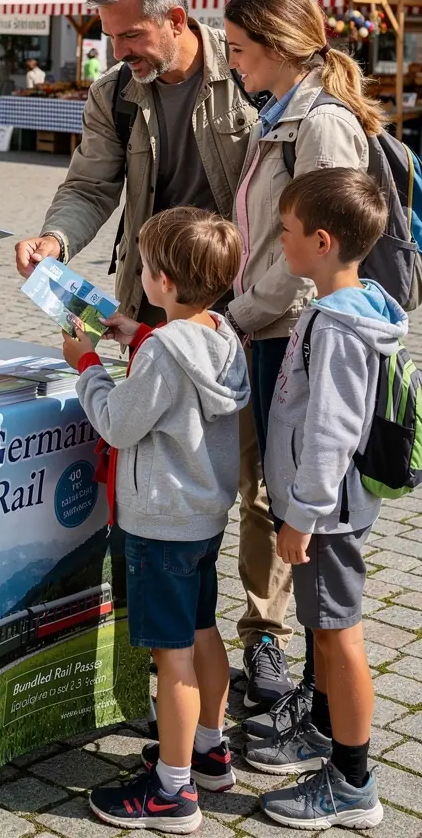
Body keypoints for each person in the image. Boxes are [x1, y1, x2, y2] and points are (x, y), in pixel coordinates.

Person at [14, 0, 294, 706]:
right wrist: (55, 241)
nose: (119, 52)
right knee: (154, 461)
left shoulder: (248, 79)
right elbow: (90, 184)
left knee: (260, 482)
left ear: (177, 20)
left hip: (253, 310)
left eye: (131, 35)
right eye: (111, 38)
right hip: (157, 310)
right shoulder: (117, 94)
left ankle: (263, 633)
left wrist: (260, 301)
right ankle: (162, 628)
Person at [223, 0, 382, 725]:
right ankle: (286, 660)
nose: (234, 65)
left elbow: (314, 250)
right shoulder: (281, 114)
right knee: (265, 489)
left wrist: (246, 310)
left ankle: (298, 678)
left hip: (289, 333)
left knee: (283, 499)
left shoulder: (321, 124)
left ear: (279, 46)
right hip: (266, 324)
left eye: (240, 50)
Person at [62, 208, 249, 833]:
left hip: (160, 522)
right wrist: (133, 333)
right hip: (202, 516)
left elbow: (117, 421)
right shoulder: (219, 332)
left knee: (171, 659)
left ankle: (173, 793)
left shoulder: (165, 353)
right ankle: (209, 748)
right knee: (202, 632)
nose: (139, 273)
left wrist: (87, 366)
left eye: (143, 266)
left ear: (163, 281)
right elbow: (174, 367)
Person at [246, 168, 399, 830]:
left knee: (340, 638)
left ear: (322, 240)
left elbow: (332, 431)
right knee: (327, 630)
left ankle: (353, 781)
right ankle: (324, 733)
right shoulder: (356, 302)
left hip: (325, 516)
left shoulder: (336, 325)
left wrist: (301, 517)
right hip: (326, 511)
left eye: (285, 232)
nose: (278, 242)